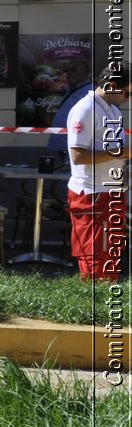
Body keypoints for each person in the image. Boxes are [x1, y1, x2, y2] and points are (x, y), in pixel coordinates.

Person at [65, 62, 129, 281]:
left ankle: (104, 305)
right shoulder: (85, 109)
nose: (129, 98)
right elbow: (78, 156)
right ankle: (91, 308)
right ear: (112, 86)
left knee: (110, 257)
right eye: (127, 92)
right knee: (95, 259)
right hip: (92, 194)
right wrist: (122, 153)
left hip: (110, 191)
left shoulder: (111, 108)